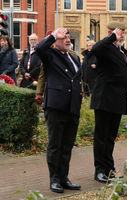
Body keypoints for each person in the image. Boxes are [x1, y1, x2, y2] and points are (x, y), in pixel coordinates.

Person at [35, 28, 82, 193]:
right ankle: (54, 179)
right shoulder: (50, 55)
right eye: (63, 38)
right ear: (55, 42)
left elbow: (76, 80)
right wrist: (54, 35)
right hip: (56, 107)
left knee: (67, 146)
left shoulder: (75, 58)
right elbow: (39, 48)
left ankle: (64, 178)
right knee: (55, 145)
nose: (67, 40)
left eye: (68, 37)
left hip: (72, 107)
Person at [91, 21, 127, 183]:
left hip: (117, 100)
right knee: (101, 136)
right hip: (104, 99)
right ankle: (99, 170)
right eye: (119, 32)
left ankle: (109, 168)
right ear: (110, 32)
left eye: (123, 32)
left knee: (110, 137)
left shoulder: (123, 52)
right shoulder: (105, 48)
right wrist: (111, 37)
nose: (122, 34)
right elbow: (95, 49)